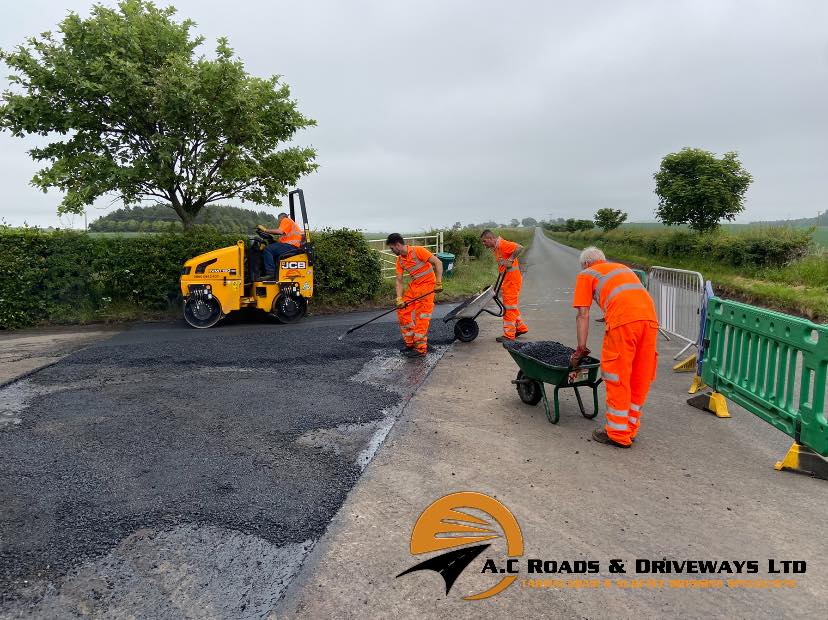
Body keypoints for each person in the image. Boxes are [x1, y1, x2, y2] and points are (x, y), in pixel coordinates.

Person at [570, 247, 658, 448]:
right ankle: (630, 427)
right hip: (650, 321)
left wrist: (580, 348)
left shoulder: (586, 274)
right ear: (603, 260)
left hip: (623, 323)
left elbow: (583, 315)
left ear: (585, 264)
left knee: (616, 376)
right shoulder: (622, 268)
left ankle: (618, 433)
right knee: (639, 375)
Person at [386, 233, 444, 358]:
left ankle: (421, 348)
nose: (392, 251)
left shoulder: (418, 251)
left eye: (392, 248)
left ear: (398, 245)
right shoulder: (400, 260)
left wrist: (438, 283)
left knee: (421, 317)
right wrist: (399, 298)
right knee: (402, 310)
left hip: (428, 285)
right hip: (415, 286)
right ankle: (410, 343)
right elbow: (399, 280)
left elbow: (438, 263)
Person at [480, 230, 528, 342]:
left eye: (484, 241)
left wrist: (511, 259)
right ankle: (521, 328)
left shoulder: (502, 244)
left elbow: (520, 247)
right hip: (508, 280)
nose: (484, 244)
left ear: (491, 238)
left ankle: (509, 335)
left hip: (512, 281)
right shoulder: (496, 248)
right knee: (512, 306)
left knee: (509, 307)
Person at [256, 213, 303, 280]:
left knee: (268, 249)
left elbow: (280, 231)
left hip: (291, 246)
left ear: (281, 217)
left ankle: (270, 274)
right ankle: (274, 274)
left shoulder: (286, 220)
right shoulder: (290, 224)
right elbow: (282, 241)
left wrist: (265, 230)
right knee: (270, 248)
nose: (279, 222)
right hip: (291, 246)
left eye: (279, 220)